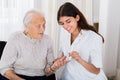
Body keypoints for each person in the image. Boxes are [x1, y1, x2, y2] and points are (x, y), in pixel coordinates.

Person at [0, 10, 68, 80]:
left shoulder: (48, 40)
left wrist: (54, 67)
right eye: (38, 26)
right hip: (17, 77)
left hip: (39, 77)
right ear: (27, 26)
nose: (42, 29)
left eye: (44, 25)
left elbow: (47, 72)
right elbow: (4, 68)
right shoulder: (15, 38)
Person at [57, 2, 108, 80]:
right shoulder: (64, 33)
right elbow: (63, 55)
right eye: (62, 23)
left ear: (77, 18)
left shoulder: (94, 38)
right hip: (68, 76)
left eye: (68, 21)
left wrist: (80, 60)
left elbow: (96, 70)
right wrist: (59, 61)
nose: (65, 26)